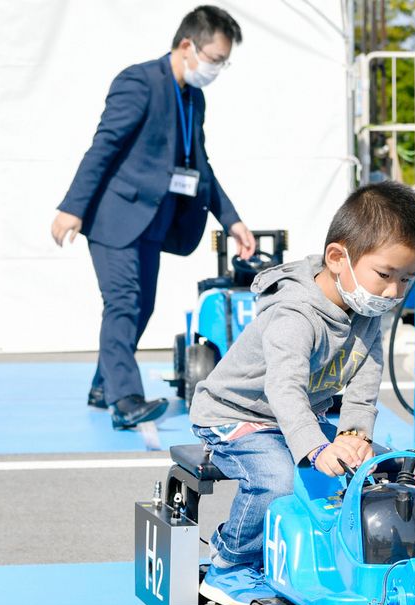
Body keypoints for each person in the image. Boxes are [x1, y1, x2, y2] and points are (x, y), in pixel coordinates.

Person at [188, 182, 415, 605]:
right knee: (277, 479)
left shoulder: (366, 310)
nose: (395, 291)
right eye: (385, 274)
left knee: (384, 468)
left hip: (294, 416)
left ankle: (344, 563)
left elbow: (364, 382)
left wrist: (356, 434)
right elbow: (282, 388)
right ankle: (230, 564)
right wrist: (316, 447)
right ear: (339, 258)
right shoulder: (295, 313)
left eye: (406, 279)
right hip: (234, 413)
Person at [51, 6, 256, 430]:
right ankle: (124, 400)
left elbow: (201, 166)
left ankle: (101, 385)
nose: (216, 69)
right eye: (215, 59)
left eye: (223, 62)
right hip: (115, 216)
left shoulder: (193, 98)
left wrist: (231, 220)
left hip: (153, 222)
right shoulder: (138, 82)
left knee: (141, 307)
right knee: (123, 303)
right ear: (187, 46)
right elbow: (103, 147)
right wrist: (72, 207)